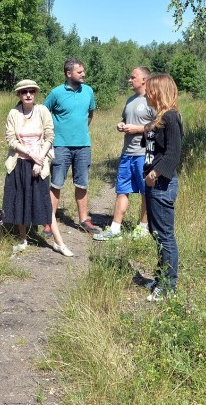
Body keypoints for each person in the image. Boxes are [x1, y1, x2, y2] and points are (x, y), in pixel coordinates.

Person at [3, 79, 74, 257]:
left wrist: (39, 159)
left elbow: (50, 136)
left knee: (44, 203)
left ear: (35, 94)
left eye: (32, 91)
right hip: (18, 163)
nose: (28, 94)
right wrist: (29, 153)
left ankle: (59, 243)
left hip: (39, 163)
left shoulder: (42, 111)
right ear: (19, 94)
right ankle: (23, 239)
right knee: (20, 201)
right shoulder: (13, 113)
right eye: (24, 91)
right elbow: (11, 139)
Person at [94, 67, 155, 241]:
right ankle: (115, 228)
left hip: (144, 153)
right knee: (122, 190)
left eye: (133, 77)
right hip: (127, 153)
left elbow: (158, 126)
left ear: (144, 79)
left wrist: (136, 129)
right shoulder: (130, 100)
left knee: (146, 192)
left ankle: (143, 228)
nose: (129, 80)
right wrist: (121, 125)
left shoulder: (152, 100)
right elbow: (126, 120)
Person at [44, 57, 101, 234]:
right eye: (79, 72)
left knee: (82, 184)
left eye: (83, 71)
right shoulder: (56, 93)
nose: (83, 74)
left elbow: (90, 115)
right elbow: (44, 114)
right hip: (60, 146)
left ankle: (84, 220)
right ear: (69, 73)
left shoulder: (88, 91)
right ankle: (49, 221)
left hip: (83, 146)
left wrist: (79, 132)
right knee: (56, 184)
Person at [142, 73, 184, 302]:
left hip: (162, 184)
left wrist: (155, 174)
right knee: (155, 232)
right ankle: (160, 277)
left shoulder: (171, 117)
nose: (146, 93)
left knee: (165, 236)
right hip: (153, 182)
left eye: (150, 89)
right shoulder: (160, 118)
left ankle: (168, 286)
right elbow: (150, 147)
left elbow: (173, 154)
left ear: (158, 91)